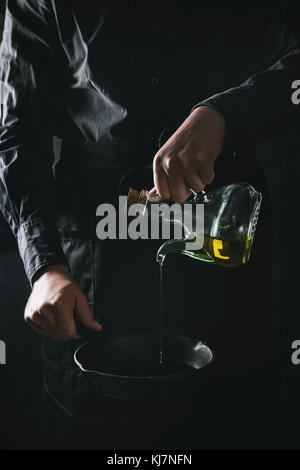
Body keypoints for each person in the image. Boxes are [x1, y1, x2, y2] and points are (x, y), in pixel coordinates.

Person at [0, 0, 299, 449]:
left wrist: (228, 114)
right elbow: (18, 130)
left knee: (233, 420)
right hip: (95, 256)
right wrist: (45, 266)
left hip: (224, 229)